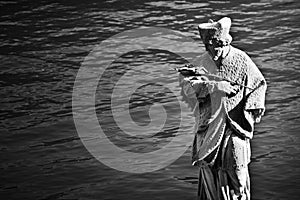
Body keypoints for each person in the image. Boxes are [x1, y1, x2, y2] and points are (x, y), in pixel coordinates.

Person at [178, 17, 267, 199]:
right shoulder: (200, 63)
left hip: (236, 126)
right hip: (210, 126)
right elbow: (187, 89)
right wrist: (215, 87)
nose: (213, 52)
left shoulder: (241, 60)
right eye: (208, 47)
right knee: (211, 172)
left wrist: (253, 107)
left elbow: (259, 84)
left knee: (238, 169)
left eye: (216, 47)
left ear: (225, 42)